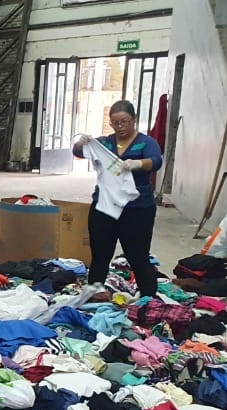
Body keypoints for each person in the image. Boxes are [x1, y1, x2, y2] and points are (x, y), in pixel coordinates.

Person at [72, 99, 164, 297]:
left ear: (134, 120)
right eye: (115, 123)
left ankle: (148, 299)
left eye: (124, 121)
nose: (120, 126)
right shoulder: (104, 143)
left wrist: (138, 164)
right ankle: (95, 295)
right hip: (105, 207)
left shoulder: (146, 143)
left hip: (137, 209)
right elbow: (78, 151)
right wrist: (82, 143)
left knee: (138, 257)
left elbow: (156, 161)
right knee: (100, 255)